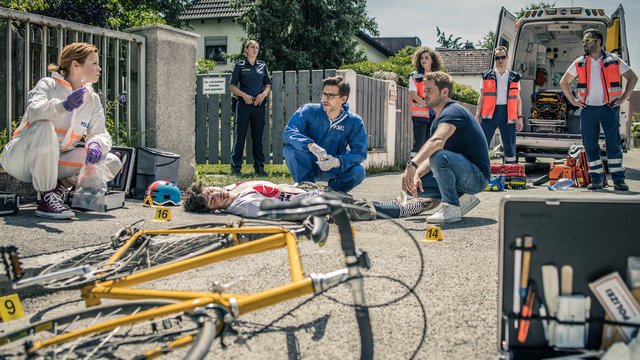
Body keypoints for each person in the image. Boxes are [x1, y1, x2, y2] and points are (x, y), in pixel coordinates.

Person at [0, 42, 122, 220]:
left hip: (55, 162)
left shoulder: (92, 99)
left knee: (111, 161)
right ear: (75, 65)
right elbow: (34, 110)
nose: (99, 68)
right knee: (43, 124)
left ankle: (59, 188)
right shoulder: (48, 84)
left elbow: (100, 132)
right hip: (21, 159)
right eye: (94, 63)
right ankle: (46, 197)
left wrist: (96, 143)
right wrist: (62, 105)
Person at [402, 72, 491, 223]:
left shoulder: (453, 111)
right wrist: (415, 174)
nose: (424, 94)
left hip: (477, 177)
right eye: (424, 90)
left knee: (439, 157)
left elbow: (437, 142)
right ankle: (462, 198)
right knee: (409, 185)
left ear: (444, 92)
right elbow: (431, 158)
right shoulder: (438, 120)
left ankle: (451, 207)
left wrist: (412, 164)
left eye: (429, 90)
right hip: (462, 173)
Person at [559, 28, 638, 191]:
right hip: (588, 110)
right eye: (584, 41)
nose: (584, 44)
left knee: (613, 144)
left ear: (598, 42)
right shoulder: (580, 62)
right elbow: (563, 82)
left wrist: (623, 98)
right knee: (590, 145)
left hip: (609, 109)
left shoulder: (614, 60)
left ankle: (618, 181)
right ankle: (596, 180)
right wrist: (573, 101)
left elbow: (633, 77)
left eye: (588, 40)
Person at [283, 76, 367, 193]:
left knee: (359, 171)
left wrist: (338, 161)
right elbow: (289, 131)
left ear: (343, 99)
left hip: (334, 167)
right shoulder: (308, 110)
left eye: (331, 95)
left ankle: (331, 194)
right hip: (309, 164)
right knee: (290, 150)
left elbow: (360, 152)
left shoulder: (354, 121)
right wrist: (311, 145)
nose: (325, 99)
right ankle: (307, 190)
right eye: (324, 94)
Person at [183, 180, 428, 220]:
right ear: (213, 210)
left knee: (358, 201)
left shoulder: (231, 189)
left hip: (310, 191)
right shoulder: (245, 206)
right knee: (362, 209)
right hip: (315, 203)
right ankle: (407, 210)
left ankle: (397, 204)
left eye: (212, 190)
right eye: (213, 200)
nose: (218, 195)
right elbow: (283, 213)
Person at [229, 40, 271, 176]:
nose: (255, 49)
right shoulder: (239, 66)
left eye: (257, 47)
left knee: (257, 137)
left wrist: (263, 94)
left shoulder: (262, 66)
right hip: (243, 106)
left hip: (258, 106)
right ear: (246, 50)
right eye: (252, 47)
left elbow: (267, 85)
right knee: (239, 136)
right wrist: (244, 95)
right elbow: (232, 86)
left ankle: (259, 167)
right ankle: (236, 168)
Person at [475, 46, 524, 164]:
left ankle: (509, 173)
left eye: (503, 57)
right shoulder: (487, 76)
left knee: (509, 146)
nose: (500, 60)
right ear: (495, 59)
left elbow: (518, 99)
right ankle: (482, 170)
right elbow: (481, 97)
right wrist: (478, 114)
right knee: (483, 143)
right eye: (497, 58)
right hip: (490, 113)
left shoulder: (514, 77)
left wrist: (520, 117)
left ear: (507, 58)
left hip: (508, 113)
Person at [408, 47, 443, 159]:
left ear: (432, 60)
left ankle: (426, 172)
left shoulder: (437, 77)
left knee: (430, 144)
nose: (423, 60)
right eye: (421, 58)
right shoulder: (414, 75)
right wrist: (427, 105)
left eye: (426, 57)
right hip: (419, 115)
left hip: (434, 116)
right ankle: (411, 167)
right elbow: (414, 95)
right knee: (419, 144)